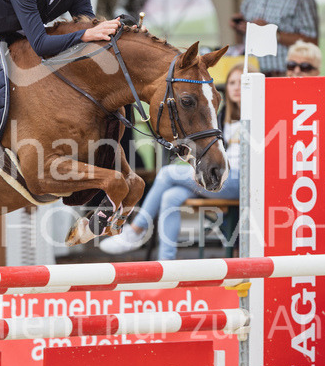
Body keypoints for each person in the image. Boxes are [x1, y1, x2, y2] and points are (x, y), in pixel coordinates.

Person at [99, 64, 244, 259]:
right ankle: (167, 264)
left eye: (242, 82)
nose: (236, 87)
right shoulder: (219, 118)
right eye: (232, 82)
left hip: (242, 181)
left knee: (168, 173)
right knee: (170, 196)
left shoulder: (258, 117)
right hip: (218, 177)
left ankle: (136, 229)